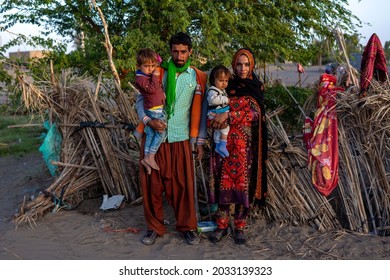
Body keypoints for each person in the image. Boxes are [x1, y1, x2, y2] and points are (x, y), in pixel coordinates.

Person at [135, 32, 208, 246]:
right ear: (170, 52)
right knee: (152, 186)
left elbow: (202, 111)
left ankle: (186, 227)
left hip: (180, 138)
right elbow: (140, 100)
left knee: (182, 187)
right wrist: (148, 121)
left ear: (190, 52)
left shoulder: (198, 77)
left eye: (183, 51)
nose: (179, 55)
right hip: (154, 138)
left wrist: (200, 141)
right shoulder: (157, 72)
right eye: (175, 51)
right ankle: (154, 228)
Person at [207, 48, 268, 245]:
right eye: (239, 64)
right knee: (222, 182)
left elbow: (256, 114)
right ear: (234, 65)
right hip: (223, 143)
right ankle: (222, 225)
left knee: (244, 185)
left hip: (245, 147)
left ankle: (240, 226)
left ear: (252, 66)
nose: (242, 68)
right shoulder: (226, 85)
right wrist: (223, 115)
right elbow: (213, 107)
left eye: (246, 64)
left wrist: (230, 115)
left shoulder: (255, 87)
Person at [134, 48, 166, 175]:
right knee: (161, 132)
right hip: (153, 110)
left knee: (151, 134)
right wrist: (155, 75)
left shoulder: (145, 75)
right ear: (138, 66)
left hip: (156, 108)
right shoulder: (140, 79)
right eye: (146, 66)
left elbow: (159, 61)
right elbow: (152, 89)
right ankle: (151, 156)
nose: (150, 68)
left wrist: (157, 62)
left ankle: (146, 158)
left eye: (153, 66)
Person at [206, 65, 231, 158]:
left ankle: (217, 146)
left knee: (217, 131)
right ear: (214, 80)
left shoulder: (222, 90)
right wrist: (225, 99)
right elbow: (213, 100)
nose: (224, 83)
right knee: (225, 128)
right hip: (215, 113)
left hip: (217, 113)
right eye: (221, 81)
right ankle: (223, 145)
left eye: (226, 81)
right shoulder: (213, 90)